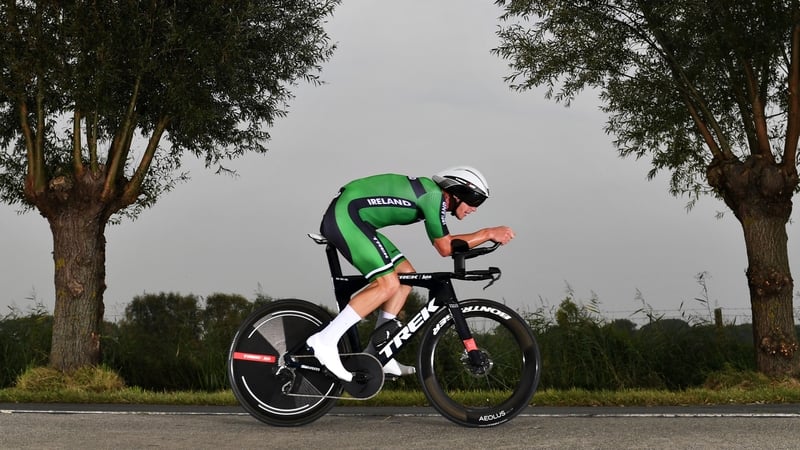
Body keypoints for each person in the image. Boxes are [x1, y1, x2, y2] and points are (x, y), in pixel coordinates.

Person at [306, 166, 515, 381]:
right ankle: (325, 340)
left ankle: (379, 352)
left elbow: (449, 245)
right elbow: (445, 247)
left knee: (406, 275)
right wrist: (488, 233)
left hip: (358, 220)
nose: (475, 209)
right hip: (346, 218)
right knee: (387, 284)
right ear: (459, 192)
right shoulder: (433, 196)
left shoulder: (432, 195)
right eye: (476, 201)